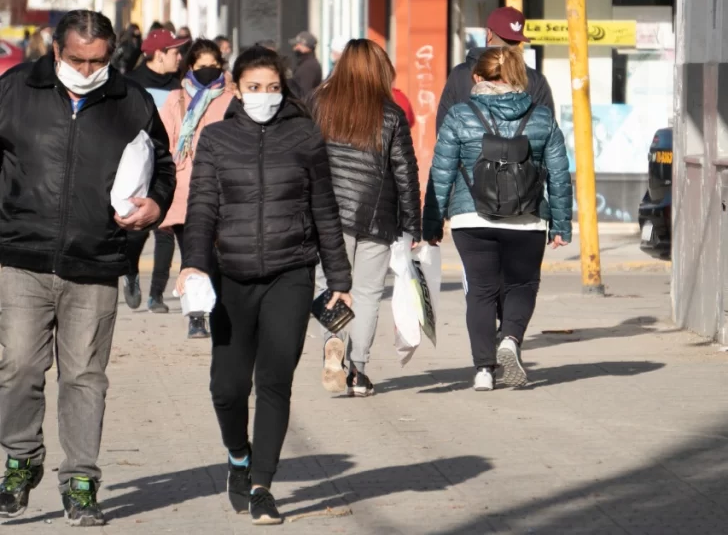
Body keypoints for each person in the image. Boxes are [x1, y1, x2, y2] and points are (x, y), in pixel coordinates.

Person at [0, 10, 175, 525]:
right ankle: (20, 460)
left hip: (96, 261)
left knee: (84, 377)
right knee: (19, 369)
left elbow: (161, 164)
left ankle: (80, 480)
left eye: (98, 60)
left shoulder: (131, 101)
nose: (87, 68)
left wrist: (156, 205)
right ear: (56, 51)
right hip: (20, 256)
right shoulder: (13, 90)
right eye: (77, 59)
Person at [177, 46, 351, 524]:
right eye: (254, 88)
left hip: (290, 273)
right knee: (227, 388)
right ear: (235, 88)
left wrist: (339, 278)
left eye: (273, 88)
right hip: (230, 276)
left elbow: (325, 211)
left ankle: (262, 487)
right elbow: (202, 210)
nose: (264, 97)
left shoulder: (304, 135)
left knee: (274, 381)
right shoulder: (215, 139)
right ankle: (238, 456)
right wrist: (193, 264)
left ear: (284, 89)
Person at [423, 45, 572, 392]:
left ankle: (483, 371)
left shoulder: (459, 115)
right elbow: (559, 174)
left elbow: (441, 170)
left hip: (471, 217)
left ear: (477, 78)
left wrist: (432, 222)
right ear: (519, 77)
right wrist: (561, 223)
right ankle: (511, 340)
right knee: (521, 285)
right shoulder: (541, 118)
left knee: (481, 291)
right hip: (527, 218)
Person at [313, 39, 421, 397]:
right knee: (368, 293)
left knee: (331, 286)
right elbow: (406, 171)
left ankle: (333, 342)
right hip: (377, 218)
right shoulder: (391, 114)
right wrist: (413, 224)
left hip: (327, 216)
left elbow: (303, 159)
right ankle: (358, 372)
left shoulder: (319, 104)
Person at [158, 39, 234, 339]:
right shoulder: (175, 100)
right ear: (190, 67)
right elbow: (162, 143)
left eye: (213, 66)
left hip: (222, 189)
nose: (207, 72)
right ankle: (197, 316)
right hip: (184, 191)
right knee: (192, 254)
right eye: (201, 66)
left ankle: (217, 308)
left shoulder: (230, 99)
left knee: (217, 256)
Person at [123, 29, 187, 312]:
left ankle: (156, 295)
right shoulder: (131, 83)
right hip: (137, 167)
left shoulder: (179, 85)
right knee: (136, 232)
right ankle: (131, 271)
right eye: (175, 51)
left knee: (165, 230)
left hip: (168, 166)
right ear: (159, 54)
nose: (180, 56)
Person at [436, 7, 554, 133]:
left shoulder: (460, 75)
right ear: (519, 41)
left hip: (469, 152)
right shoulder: (535, 80)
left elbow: (444, 130)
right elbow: (547, 131)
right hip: (523, 152)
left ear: (489, 34)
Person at [289, 30, 322, 96]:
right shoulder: (304, 64)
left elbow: (305, 94)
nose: (294, 48)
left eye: (297, 45)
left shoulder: (309, 67)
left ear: (306, 47)